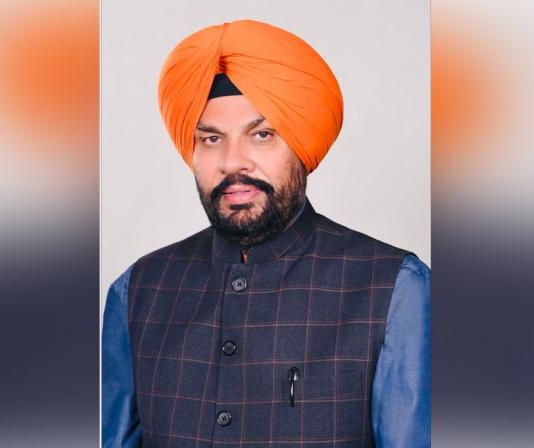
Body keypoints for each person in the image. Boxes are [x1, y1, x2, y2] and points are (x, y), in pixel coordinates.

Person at [102, 19, 430, 448]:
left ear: (301, 144)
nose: (232, 162)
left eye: (261, 135)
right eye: (211, 139)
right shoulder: (138, 289)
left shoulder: (393, 287)